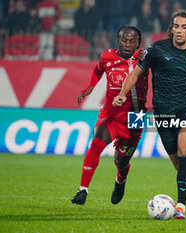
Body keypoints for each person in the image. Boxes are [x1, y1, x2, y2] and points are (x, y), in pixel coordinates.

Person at [113, 10, 186, 219]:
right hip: (162, 111)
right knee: (179, 164)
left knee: (184, 150)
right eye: (176, 26)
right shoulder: (157, 49)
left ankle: (180, 207)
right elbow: (135, 74)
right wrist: (122, 94)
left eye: (184, 27)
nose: (179, 30)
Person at [71, 25, 148, 205]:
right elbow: (97, 70)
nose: (128, 44)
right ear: (118, 40)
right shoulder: (107, 56)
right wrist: (88, 88)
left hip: (134, 118)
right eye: (124, 40)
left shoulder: (145, 58)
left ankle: (120, 179)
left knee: (121, 161)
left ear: (138, 43)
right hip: (111, 113)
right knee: (97, 141)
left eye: (132, 41)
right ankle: (83, 189)